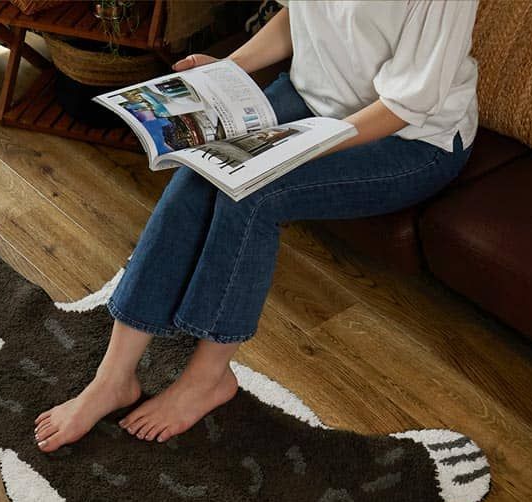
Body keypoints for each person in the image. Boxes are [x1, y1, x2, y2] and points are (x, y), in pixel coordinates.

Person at [34, 0, 478, 452]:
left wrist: (298, 149)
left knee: (252, 190)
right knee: (199, 168)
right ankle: (112, 379)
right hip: (312, 101)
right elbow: (297, 17)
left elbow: (404, 106)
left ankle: (209, 379)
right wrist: (228, 69)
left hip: (412, 140)